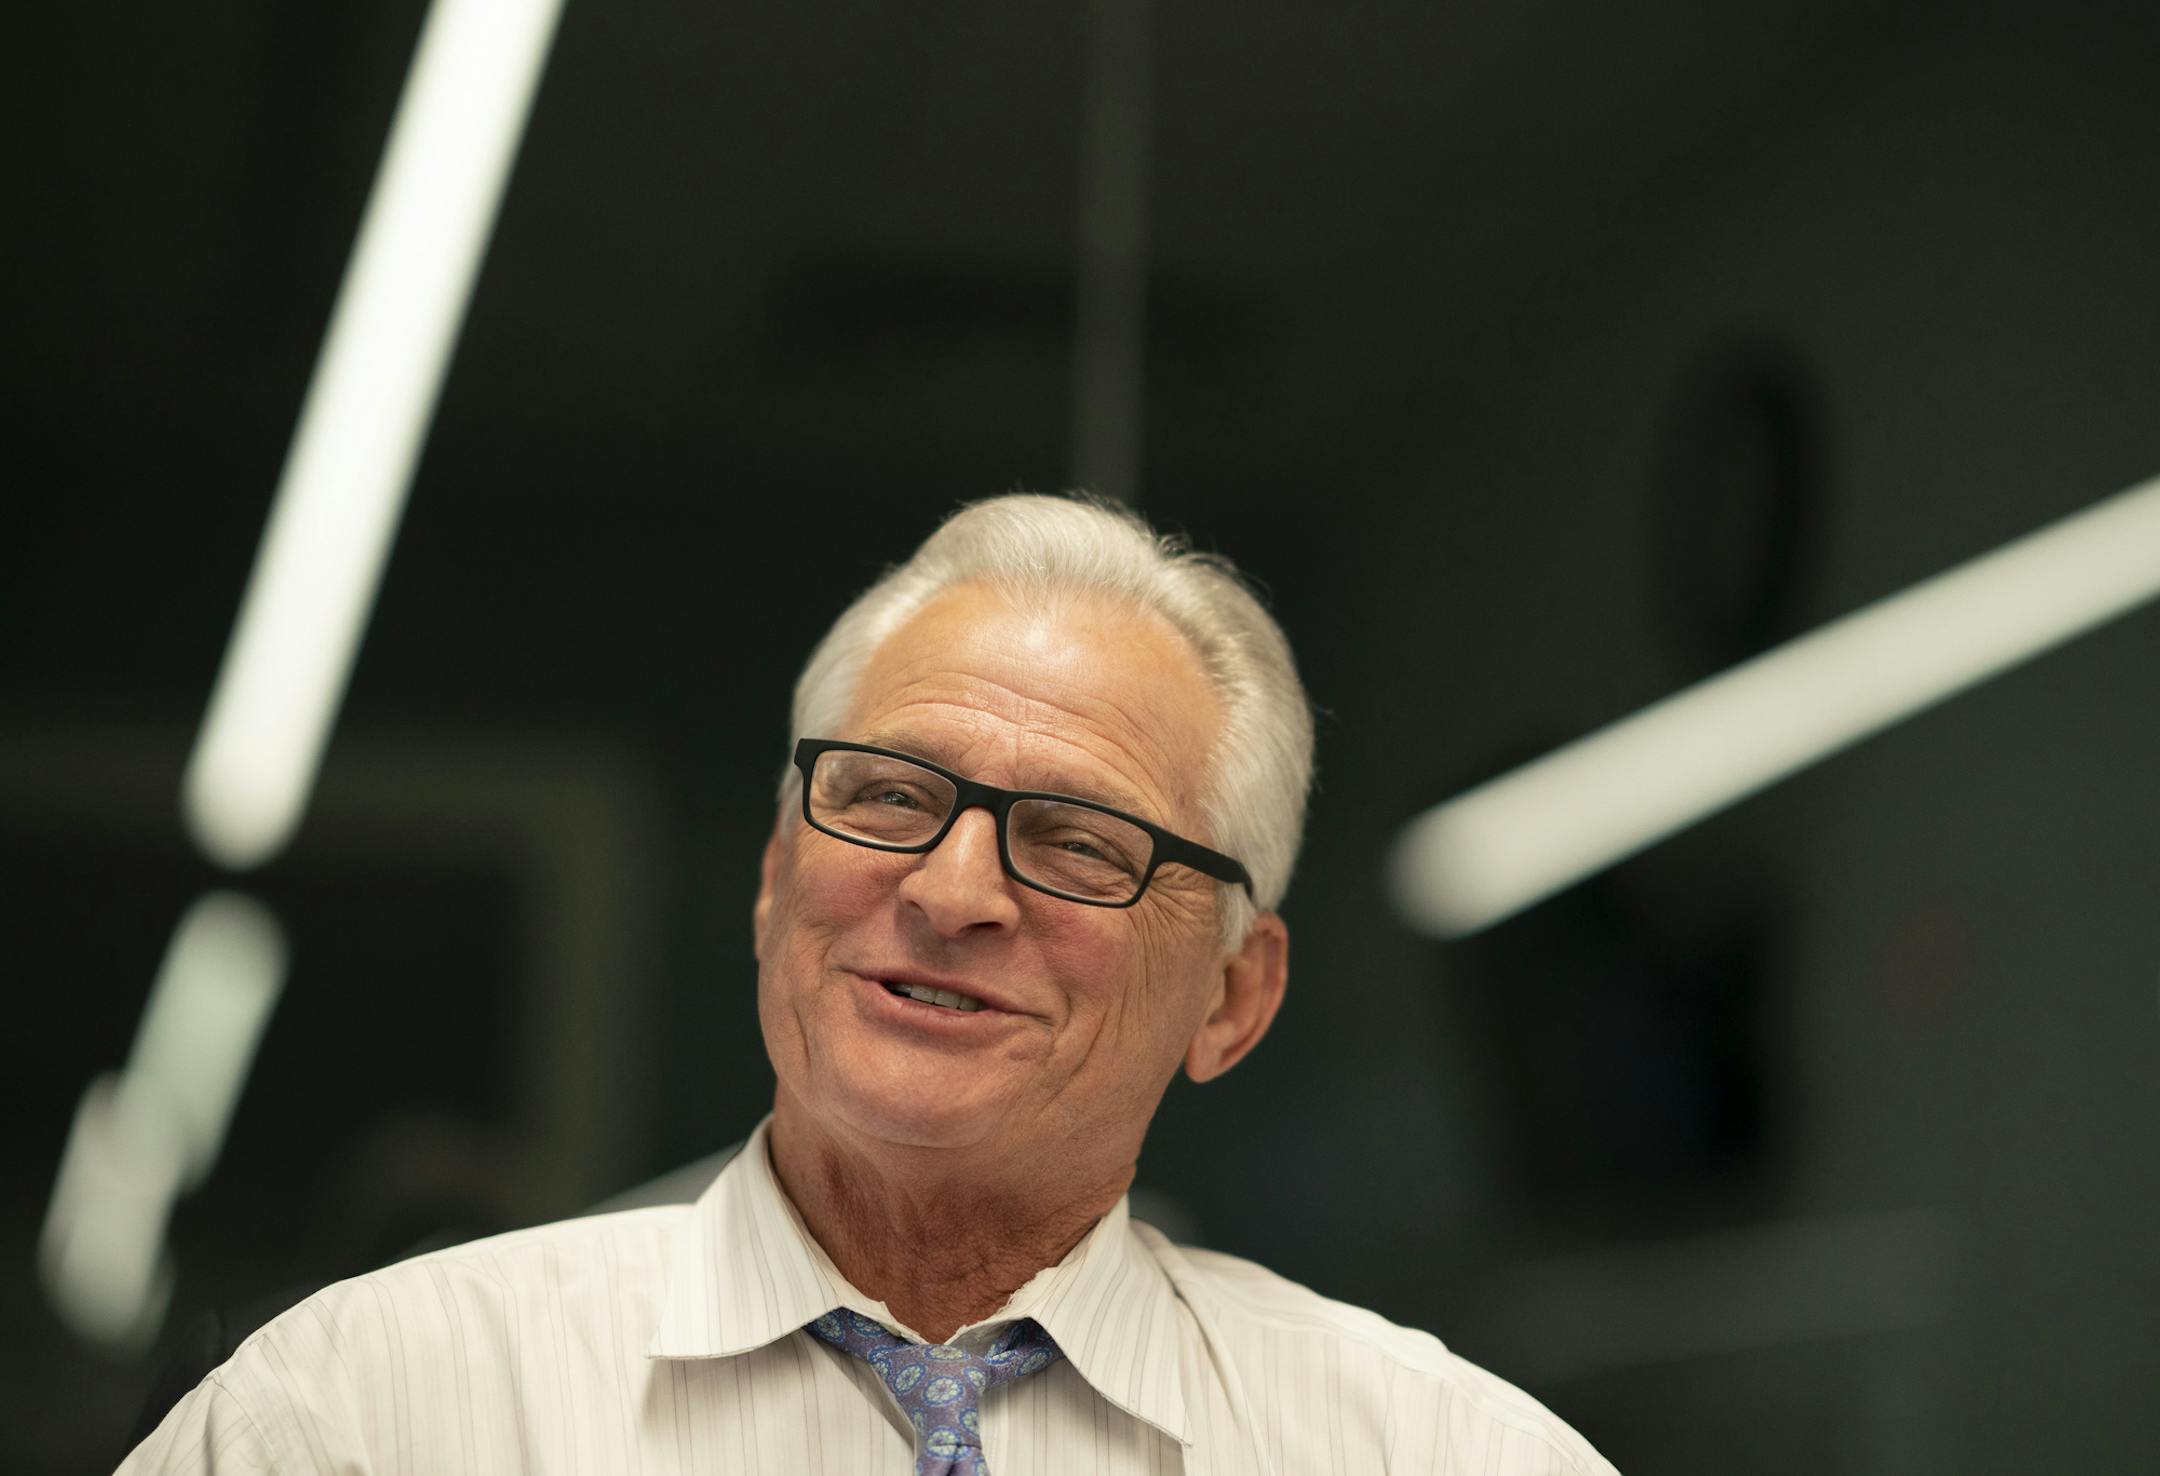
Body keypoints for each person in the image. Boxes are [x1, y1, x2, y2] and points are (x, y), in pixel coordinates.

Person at [121, 494, 1616, 1474]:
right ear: (779, 878)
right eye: (890, 799)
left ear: (1234, 996)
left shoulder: (1442, 1457)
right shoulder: (362, 1420)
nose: (953, 892)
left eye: (1079, 842)